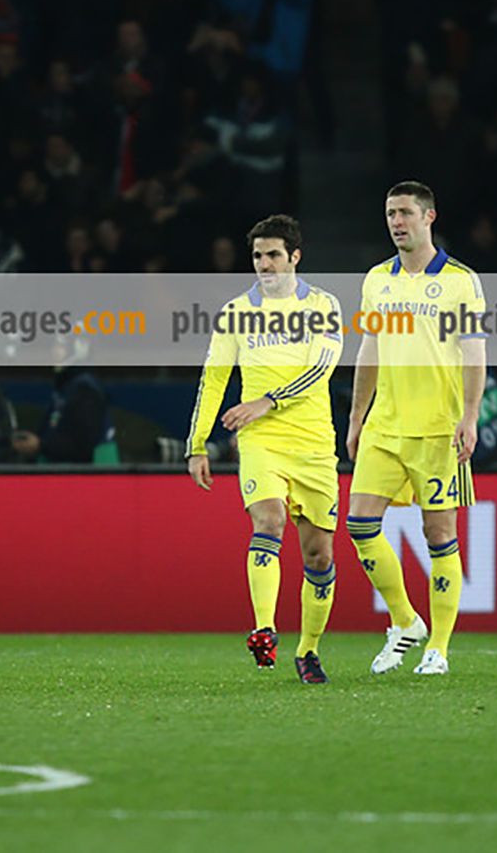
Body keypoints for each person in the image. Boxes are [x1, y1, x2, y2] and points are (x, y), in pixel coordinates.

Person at [186, 214, 343, 684]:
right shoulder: (236, 313)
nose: (265, 264)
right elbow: (213, 378)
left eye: (274, 254)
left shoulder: (324, 305)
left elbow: (323, 367)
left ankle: (309, 651)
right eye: (257, 256)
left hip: (314, 442)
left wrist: (267, 401)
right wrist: (197, 444)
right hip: (261, 440)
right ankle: (264, 629)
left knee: (319, 556)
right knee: (269, 520)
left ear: (295, 256)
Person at [346, 182, 486, 676]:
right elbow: (369, 351)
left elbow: (473, 354)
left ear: (429, 217)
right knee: (359, 524)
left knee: (439, 534)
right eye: (390, 213)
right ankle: (406, 621)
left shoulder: (460, 280)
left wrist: (470, 416)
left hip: (437, 429)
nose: (397, 222)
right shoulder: (376, 280)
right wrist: (357, 416)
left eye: (405, 212)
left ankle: (439, 649)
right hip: (385, 424)